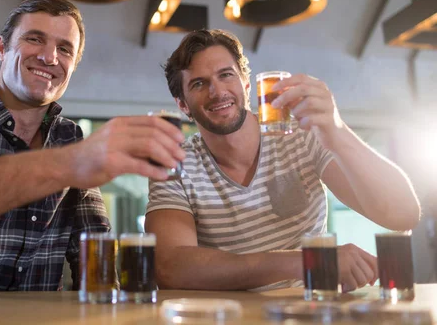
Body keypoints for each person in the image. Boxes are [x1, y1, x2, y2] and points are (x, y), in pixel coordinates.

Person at [0, 0, 185, 292]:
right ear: (2, 48)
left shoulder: (70, 138)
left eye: (64, 49)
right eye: (35, 39)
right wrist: (72, 163)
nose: (49, 57)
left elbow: (95, 251)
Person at [146, 29, 421, 292]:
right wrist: (311, 260)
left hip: (310, 310)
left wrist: (337, 130)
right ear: (182, 104)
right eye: (199, 83)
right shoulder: (175, 160)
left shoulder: (301, 135)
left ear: (244, 82)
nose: (217, 91)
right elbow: (170, 268)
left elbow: (403, 214)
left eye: (226, 75)